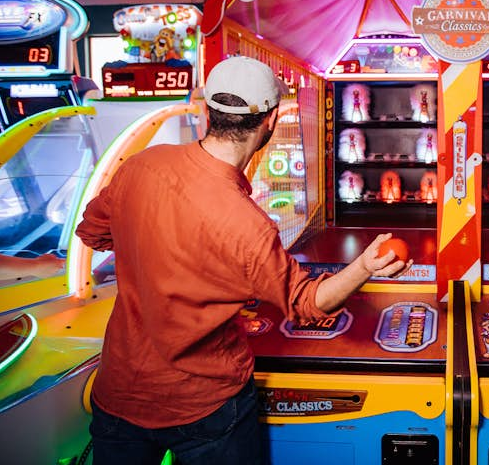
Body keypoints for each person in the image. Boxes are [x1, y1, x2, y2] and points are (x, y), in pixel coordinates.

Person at [75, 56, 411, 465]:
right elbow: (309, 304)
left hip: (119, 392)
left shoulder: (142, 166)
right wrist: (365, 266)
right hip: (206, 406)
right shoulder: (247, 226)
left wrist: (151, 253)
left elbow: (93, 233)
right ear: (270, 121)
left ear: (206, 110)